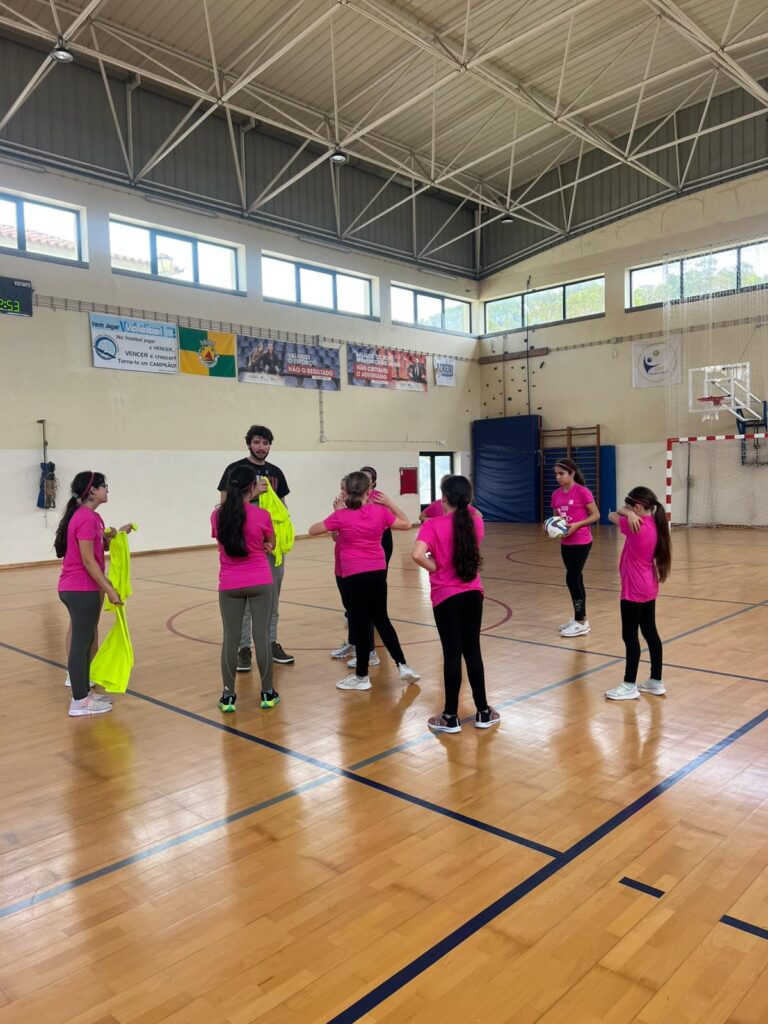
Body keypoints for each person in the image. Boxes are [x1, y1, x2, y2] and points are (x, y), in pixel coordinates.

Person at [309, 471, 419, 691]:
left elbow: (312, 530)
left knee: (360, 623)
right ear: (369, 491)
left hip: (353, 574)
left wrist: (336, 513)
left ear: (347, 491)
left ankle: (361, 677)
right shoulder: (380, 512)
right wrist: (389, 502)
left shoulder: (341, 516)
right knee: (382, 619)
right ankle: (403, 665)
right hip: (377, 571)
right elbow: (407, 523)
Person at [412, 475, 500, 734]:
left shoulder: (432, 525)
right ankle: (483, 711)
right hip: (473, 593)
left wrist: (435, 567)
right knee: (473, 651)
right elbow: (474, 518)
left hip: (445, 596)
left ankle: (450, 717)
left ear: (444, 498)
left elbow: (417, 554)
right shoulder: (475, 522)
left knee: (452, 654)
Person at [55, 472, 133, 717]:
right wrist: (109, 589)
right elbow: (88, 560)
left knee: (87, 641)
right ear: (92, 491)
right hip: (80, 588)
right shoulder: (86, 518)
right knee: (81, 644)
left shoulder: (93, 518)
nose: (107, 490)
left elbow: (97, 547)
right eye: (104, 486)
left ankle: (85, 693)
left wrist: (115, 536)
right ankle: (79, 700)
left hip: (81, 588)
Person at [218, 425, 294, 668]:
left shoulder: (276, 472)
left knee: (271, 597)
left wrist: (279, 537)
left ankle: (271, 642)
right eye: (257, 442)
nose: (262, 447)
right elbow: (224, 506)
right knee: (245, 600)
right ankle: (244, 649)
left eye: (266, 443)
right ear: (249, 443)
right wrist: (254, 495)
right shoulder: (235, 469)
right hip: (244, 544)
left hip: (271, 546)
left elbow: (282, 508)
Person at [211, 464, 277, 712]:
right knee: (262, 637)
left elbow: (222, 539)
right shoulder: (262, 515)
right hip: (260, 581)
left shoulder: (217, 515)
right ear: (252, 487)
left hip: (229, 583)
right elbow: (270, 542)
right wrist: (265, 544)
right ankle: (267, 693)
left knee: (231, 639)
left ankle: (228, 696)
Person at [604, 487, 672, 701]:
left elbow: (612, 515)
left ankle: (629, 684)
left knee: (630, 635)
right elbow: (623, 511)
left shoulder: (635, 526)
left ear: (638, 507)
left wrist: (628, 513)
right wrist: (630, 512)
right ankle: (656, 681)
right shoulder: (654, 523)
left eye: (631, 507)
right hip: (648, 584)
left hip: (634, 588)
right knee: (650, 632)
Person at [551, 458, 600, 637]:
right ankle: (581, 618)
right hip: (566, 543)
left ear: (571, 473)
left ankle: (580, 622)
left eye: (561, 473)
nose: (558, 477)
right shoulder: (555, 494)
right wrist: (550, 526)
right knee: (577, 579)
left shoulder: (582, 492)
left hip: (582, 541)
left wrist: (577, 525)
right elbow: (556, 517)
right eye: (556, 474)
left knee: (572, 579)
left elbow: (596, 515)